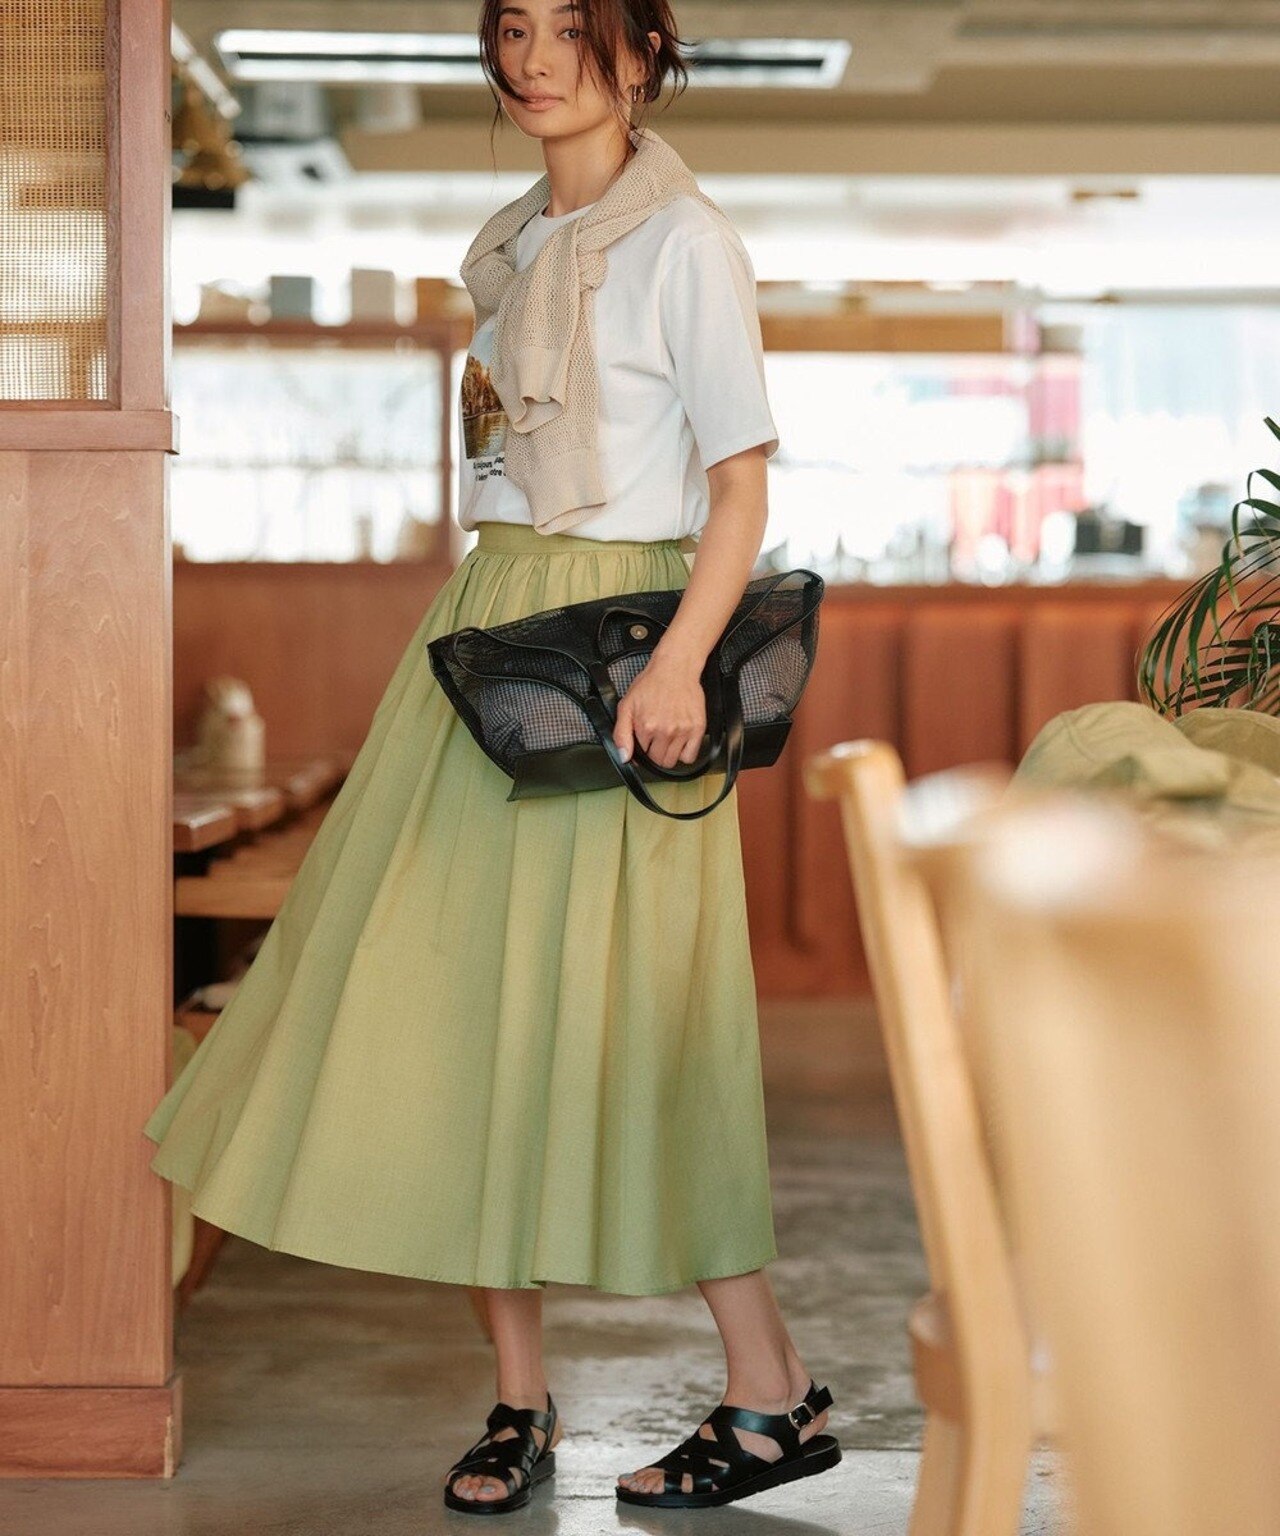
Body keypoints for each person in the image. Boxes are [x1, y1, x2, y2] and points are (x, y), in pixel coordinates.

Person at [142, 0, 840, 1516]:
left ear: (639, 53)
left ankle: (768, 1390)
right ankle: (521, 1400)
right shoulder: (515, 247)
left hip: (626, 652)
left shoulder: (685, 242)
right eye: (512, 27)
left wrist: (677, 663)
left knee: (647, 1027)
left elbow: (740, 489)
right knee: (466, 1016)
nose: (532, 57)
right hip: (491, 633)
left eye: (569, 28)